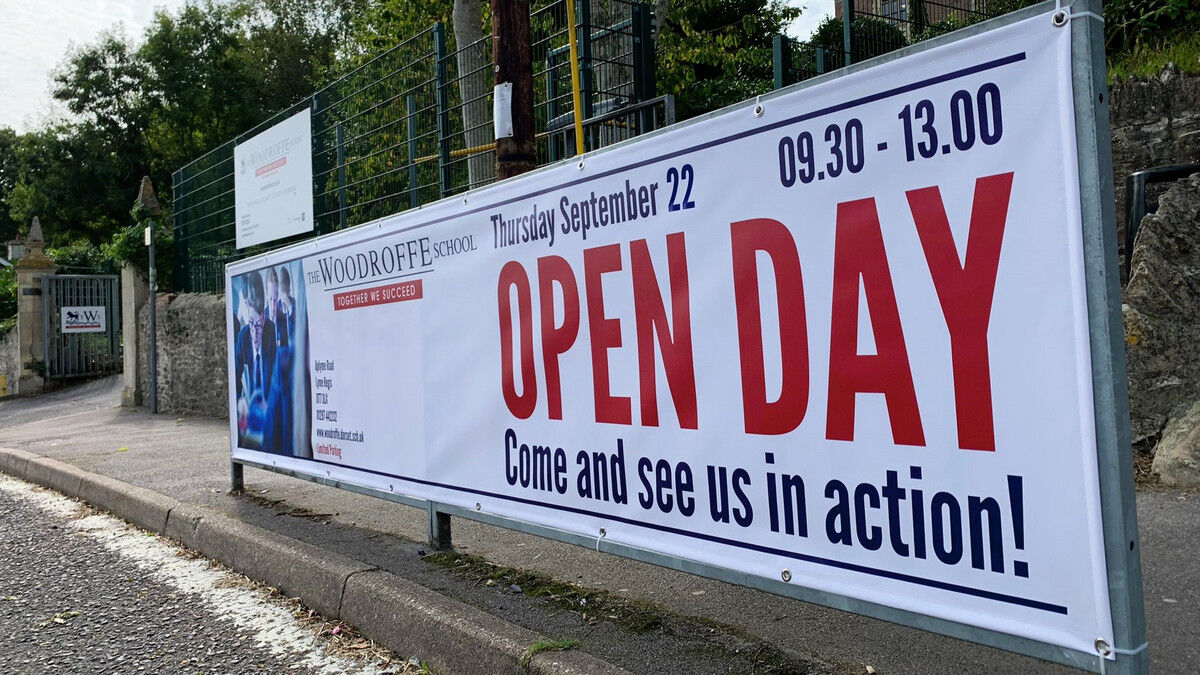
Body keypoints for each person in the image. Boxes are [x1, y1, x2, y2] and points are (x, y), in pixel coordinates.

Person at [235, 271, 277, 449]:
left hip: (268, 418)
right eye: (252, 323)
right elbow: (236, 377)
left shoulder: (271, 330)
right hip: (249, 423)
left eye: (259, 324)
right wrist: (240, 403)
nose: (255, 333)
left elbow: (277, 377)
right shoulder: (243, 335)